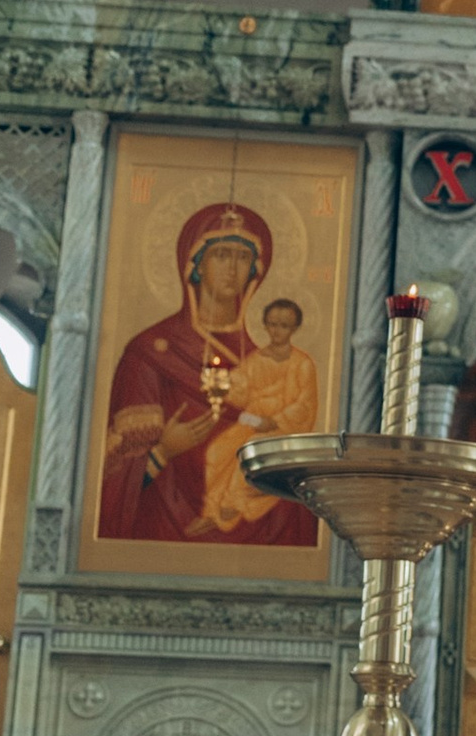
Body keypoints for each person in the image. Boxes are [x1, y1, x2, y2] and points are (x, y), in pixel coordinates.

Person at [99, 203, 314, 549]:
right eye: (221, 255)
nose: (232, 268)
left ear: (255, 271)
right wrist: (163, 452)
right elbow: (110, 485)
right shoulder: (150, 353)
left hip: (257, 527)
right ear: (195, 265)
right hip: (160, 533)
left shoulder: (270, 361)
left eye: (242, 258)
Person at [197, 294, 322, 532]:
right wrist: (221, 385)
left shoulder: (302, 364)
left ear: (294, 328)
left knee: (252, 451)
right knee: (216, 452)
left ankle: (232, 506)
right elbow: (240, 389)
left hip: (284, 429)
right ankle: (212, 510)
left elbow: (305, 405)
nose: (277, 331)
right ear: (264, 325)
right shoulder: (256, 360)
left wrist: (275, 421)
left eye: (284, 326)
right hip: (254, 423)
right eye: (272, 324)